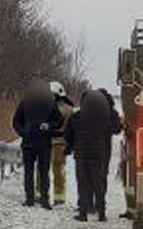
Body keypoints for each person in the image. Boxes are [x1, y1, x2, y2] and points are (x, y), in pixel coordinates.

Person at [66, 84, 122, 221]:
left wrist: (70, 146)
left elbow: (67, 133)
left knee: (84, 182)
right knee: (100, 180)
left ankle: (85, 210)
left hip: (82, 153)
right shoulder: (108, 114)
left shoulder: (77, 116)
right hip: (101, 150)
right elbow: (116, 129)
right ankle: (101, 211)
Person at [11, 79, 62, 208]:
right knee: (28, 172)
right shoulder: (25, 104)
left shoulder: (50, 104)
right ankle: (29, 199)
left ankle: (45, 200)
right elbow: (16, 121)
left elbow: (59, 120)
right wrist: (24, 132)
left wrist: (49, 125)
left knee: (44, 172)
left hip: (44, 143)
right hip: (28, 144)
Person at [48, 81, 76, 206]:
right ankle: (43, 194)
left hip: (60, 143)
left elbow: (71, 128)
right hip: (48, 142)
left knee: (58, 169)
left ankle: (59, 196)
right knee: (44, 168)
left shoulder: (67, 109)